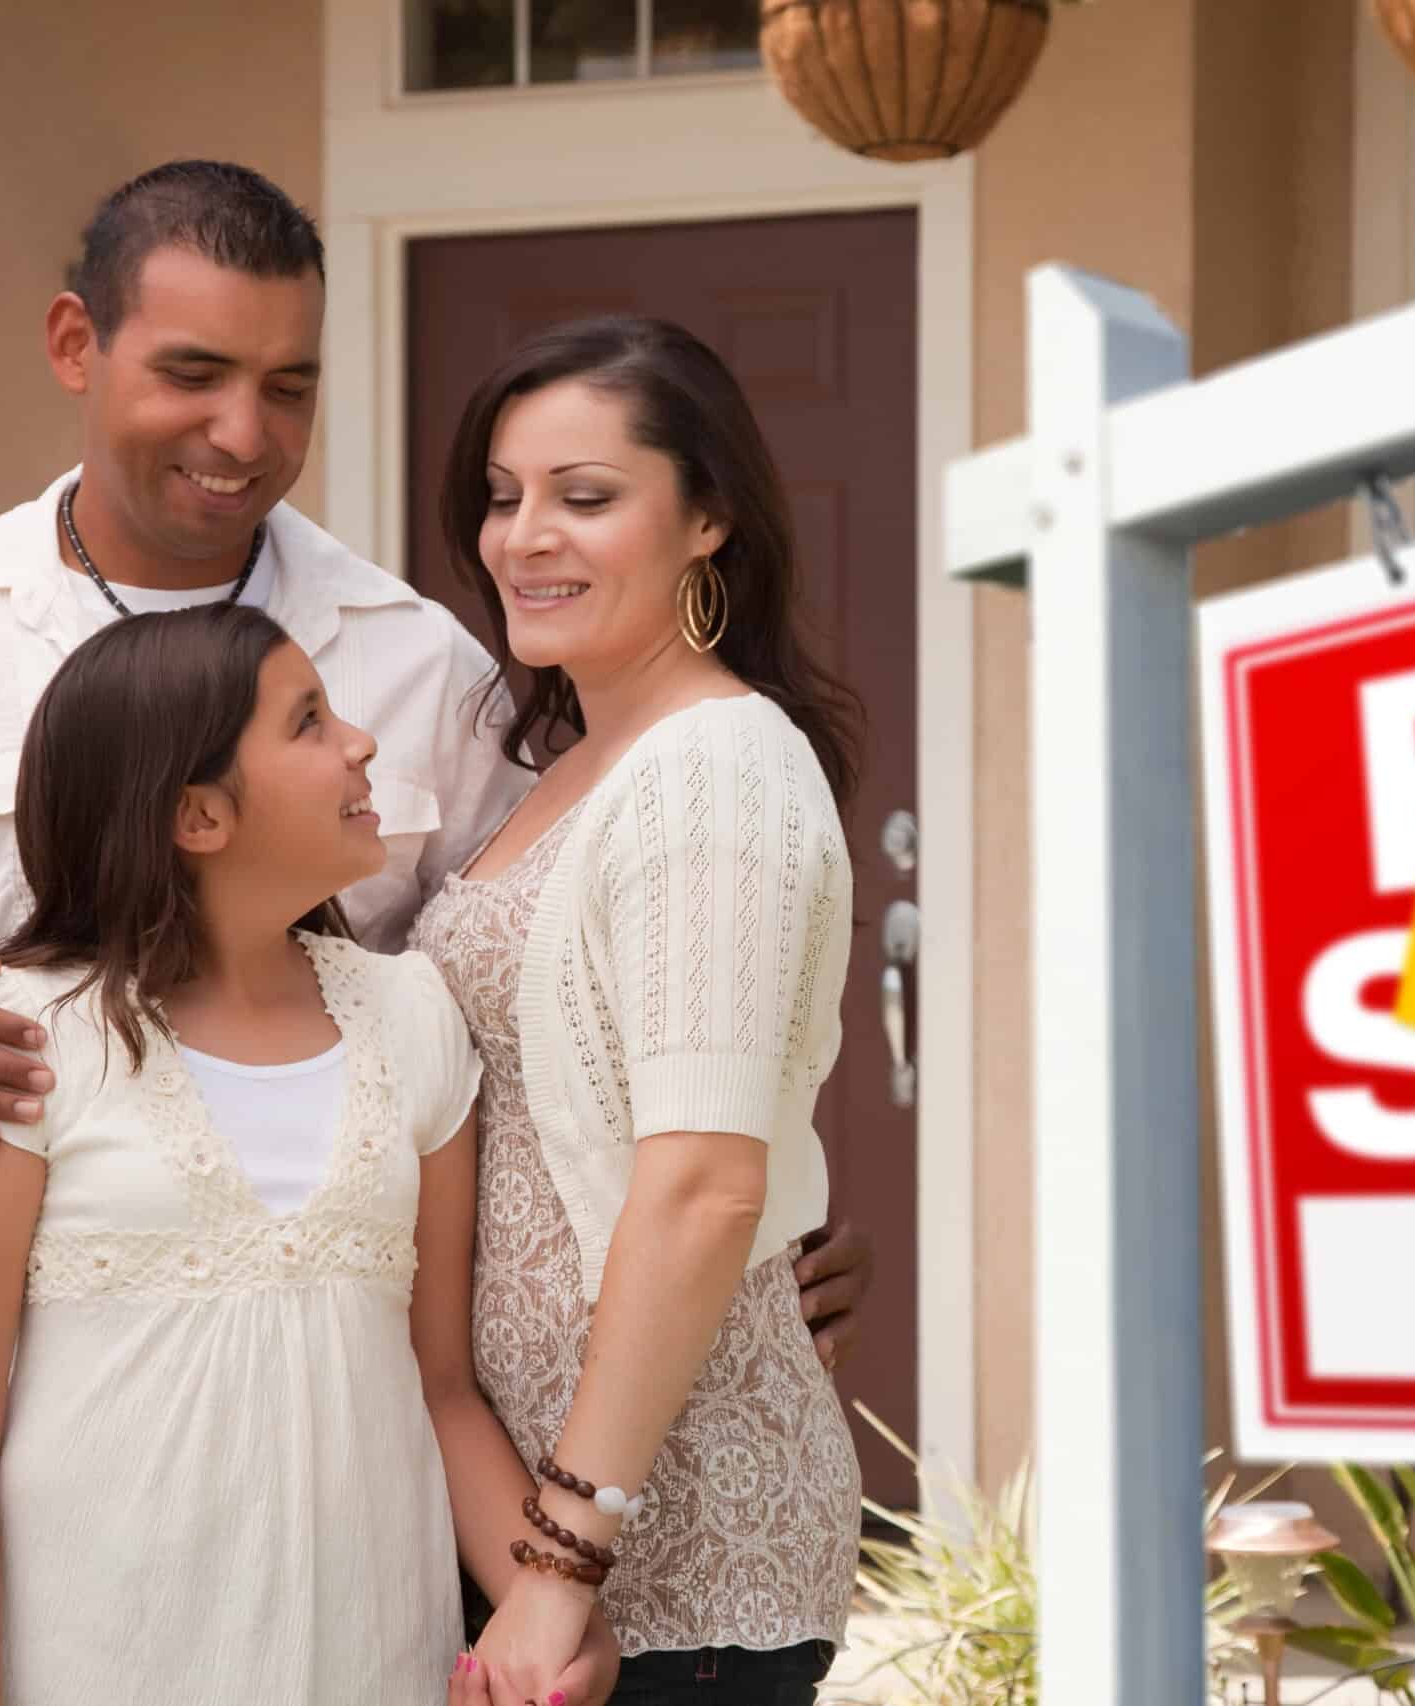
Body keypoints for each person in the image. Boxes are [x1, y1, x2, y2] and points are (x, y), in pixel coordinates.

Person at [0, 161, 871, 1706]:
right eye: (194, 372)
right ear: (75, 345)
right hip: (38, 1503)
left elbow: (611, 967)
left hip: (376, 1507)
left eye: (288, 384)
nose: (244, 432)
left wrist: (755, 1206)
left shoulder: (428, 659)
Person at [0, 604, 604, 1704]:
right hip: (92, 1659)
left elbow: (444, 1384)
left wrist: (550, 1595)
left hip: (366, 1651)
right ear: (197, 814)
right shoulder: (14, 1042)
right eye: (309, 721)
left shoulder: (410, 1015)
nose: (361, 742)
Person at [419, 316, 861, 1706]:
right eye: (503, 495)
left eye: (586, 496)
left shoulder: (714, 762)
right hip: (545, 1538)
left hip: (672, 1564)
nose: (523, 536)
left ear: (708, 517)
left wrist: (559, 1560)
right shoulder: (563, 763)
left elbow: (704, 1185)